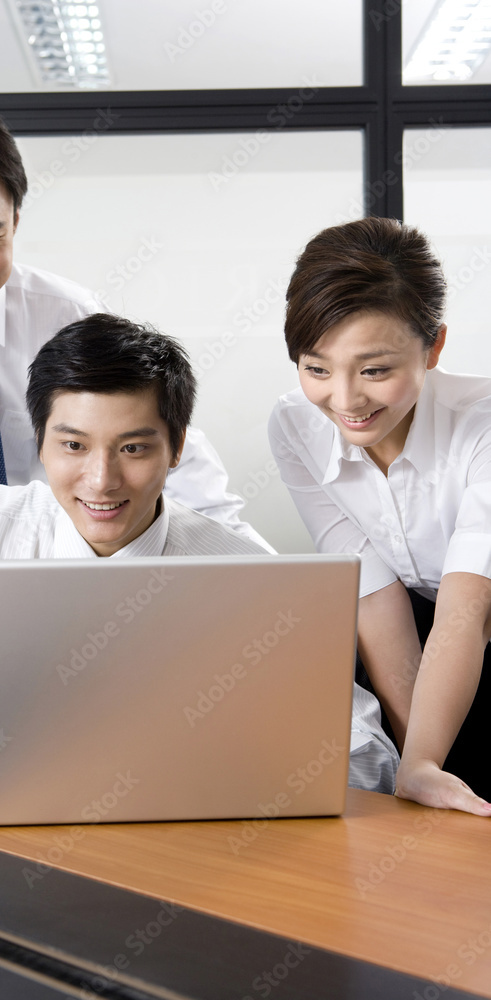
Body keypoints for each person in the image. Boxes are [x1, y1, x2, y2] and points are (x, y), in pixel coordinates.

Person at [0, 104, 270, 718]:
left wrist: (261, 582)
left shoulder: (63, 310)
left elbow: (152, 435)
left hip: (47, 561)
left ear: (15, 221)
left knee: (65, 722)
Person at [0, 314, 398, 794]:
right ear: (39, 443)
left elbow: (366, 753)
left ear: (178, 447)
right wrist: (31, 741)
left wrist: (210, 757)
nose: (101, 480)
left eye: (133, 448)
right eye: (73, 446)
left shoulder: (242, 572)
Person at [269, 216, 491, 816]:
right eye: (317, 369)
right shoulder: (294, 425)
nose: (344, 401)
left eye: (374, 371)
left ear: (434, 346)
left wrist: (426, 758)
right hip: (426, 620)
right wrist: (415, 762)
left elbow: (467, 611)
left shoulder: (483, 426)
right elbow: (375, 594)